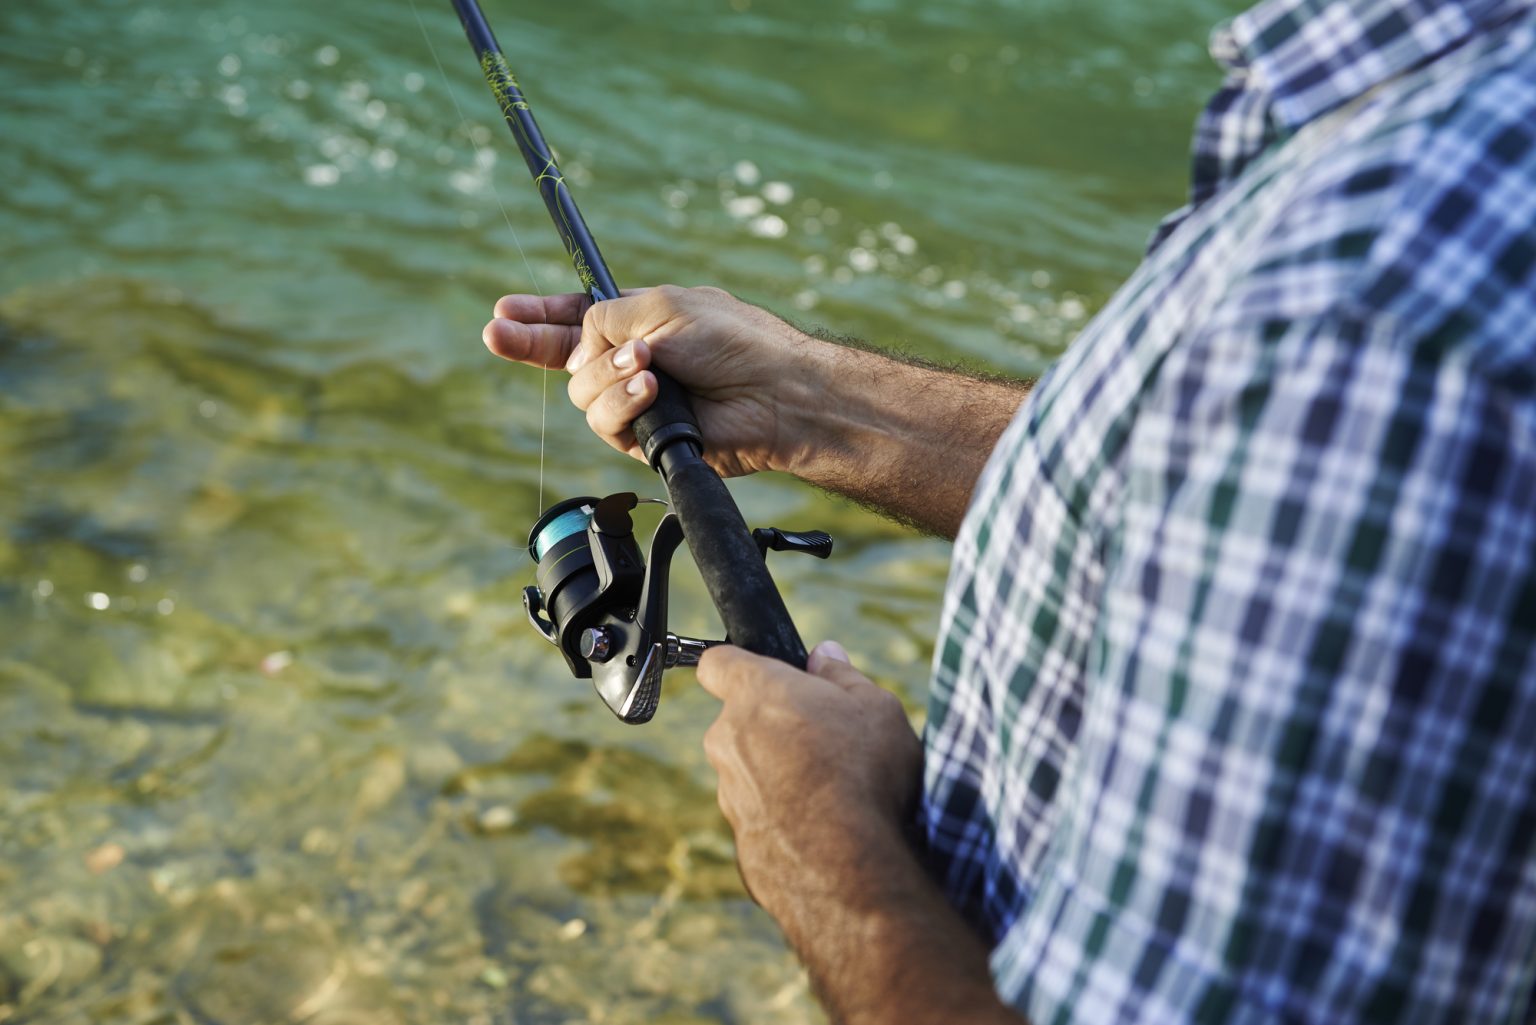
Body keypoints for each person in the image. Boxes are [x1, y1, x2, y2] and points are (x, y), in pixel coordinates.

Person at [482, 0, 1536, 1020]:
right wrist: (808, 396)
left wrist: (826, 850)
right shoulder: (1437, 138)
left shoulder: (1381, 296)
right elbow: (1236, 478)